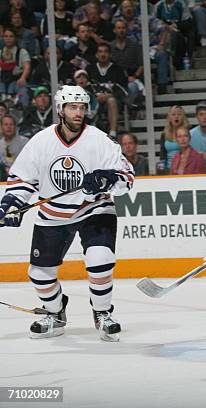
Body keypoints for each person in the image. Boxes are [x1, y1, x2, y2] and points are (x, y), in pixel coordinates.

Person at [0, 85, 134, 342]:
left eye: (82, 107)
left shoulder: (99, 140)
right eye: (73, 107)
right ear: (60, 109)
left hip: (93, 209)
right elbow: (22, 180)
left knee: (100, 261)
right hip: (52, 215)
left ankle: (103, 313)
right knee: (39, 274)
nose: (78, 112)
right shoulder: (41, 141)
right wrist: (12, 204)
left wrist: (107, 179)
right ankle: (55, 313)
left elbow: (126, 179)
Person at [159, 105, 191, 172]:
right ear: (169, 117)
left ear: (183, 117)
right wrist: (162, 170)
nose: (176, 116)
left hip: (184, 169)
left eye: (179, 114)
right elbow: (162, 154)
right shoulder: (164, 134)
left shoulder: (188, 132)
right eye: (173, 114)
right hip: (168, 169)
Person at [0, 114, 28, 180]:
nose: (9, 127)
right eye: (6, 124)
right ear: (1, 127)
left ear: (15, 127)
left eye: (11, 124)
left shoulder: (25, 142)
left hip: (22, 176)